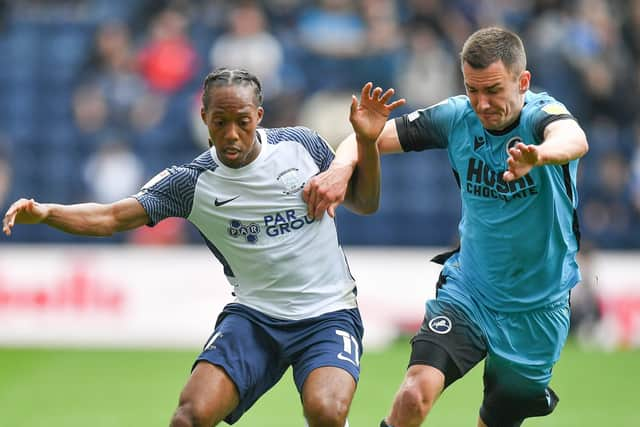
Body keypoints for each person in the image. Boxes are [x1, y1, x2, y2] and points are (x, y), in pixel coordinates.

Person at [2, 68, 405, 427]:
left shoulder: (302, 146)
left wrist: (366, 144)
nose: (231, 134)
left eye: (242, 122)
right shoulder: (191, 182)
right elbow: (110, 217)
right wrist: (48, 212)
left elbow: (365, 203)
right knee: (190, 416)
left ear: (259, 117)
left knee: (327, 412)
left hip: (327, 314)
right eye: (220, 122)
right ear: (204, 120)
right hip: (256, 318)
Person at [304, 27, 589, 427]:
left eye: (493, 90)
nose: (482, 103)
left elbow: (574, 138)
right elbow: (364, 137)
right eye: (472, 90)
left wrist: (538, 156)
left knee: (497, 419)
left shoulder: (542, 116)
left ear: (522, 81)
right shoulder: (457, 116)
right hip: (470, 292)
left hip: (538, 308)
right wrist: (341, 166)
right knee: (414, 395)